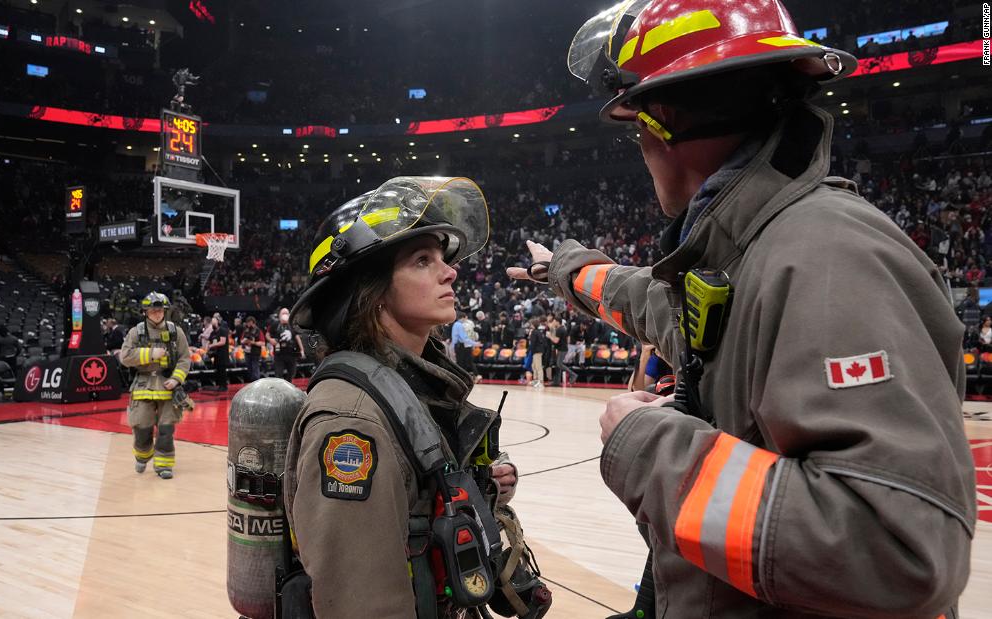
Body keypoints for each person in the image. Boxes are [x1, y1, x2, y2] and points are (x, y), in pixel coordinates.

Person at [507, 1, 975, 616]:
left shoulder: (826, 254)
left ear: (663, 121)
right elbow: (646, 300)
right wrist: (562, 271)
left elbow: (896, 554)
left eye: (638, 129)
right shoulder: (745, 252)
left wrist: (644, 442)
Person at [284, 177, 543, 618]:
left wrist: (477, 489)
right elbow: (362, 604)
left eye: (442, 257)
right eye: (423, 260)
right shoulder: (351, 423)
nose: (450, 270)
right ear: (371, 290)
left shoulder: (413, 389)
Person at [118, 292, 192, 479]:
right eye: (153, 310)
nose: (157, 313)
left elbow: (185, 359)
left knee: (166, 429)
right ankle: (142, 455)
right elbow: (124, 357)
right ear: (146, 312)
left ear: (165, 311)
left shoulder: (176, 332)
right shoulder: (137, 332)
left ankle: (163, 465)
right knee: (142, 427)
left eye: (160, 310)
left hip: (168, 387)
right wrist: (151, 353)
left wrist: (176, 379)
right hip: (143, 385)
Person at [270, 307, 305, 382]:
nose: (284, 315)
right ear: (279, 315)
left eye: (286, 313)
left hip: (291, 353)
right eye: (283, 313)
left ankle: (288, 386)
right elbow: (268, 334)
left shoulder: (292, 325)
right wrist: (270, 340)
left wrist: (302, 350)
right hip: (279, 353)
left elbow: (297, 337)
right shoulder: (275, 324)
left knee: (292, 373)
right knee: (278, 374)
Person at [547, 314, 576, 387]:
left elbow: (556, 341)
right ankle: (556, 382)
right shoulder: (560, 329)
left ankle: (573, 375)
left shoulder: (560, 329)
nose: (553, 323)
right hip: (561, 349)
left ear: (557, 322)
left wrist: (549, 336)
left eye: (554, 321)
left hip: (562, 349)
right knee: (558, 365)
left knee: (559, 364)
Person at [207, 316, 229, 392]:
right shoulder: (212, 333)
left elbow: (223, 342)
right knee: (218, 370)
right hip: (215, 354)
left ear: (218, 323)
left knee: (223, 370)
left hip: (222, 354)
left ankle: (224, 386)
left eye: (214, 322)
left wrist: (212, 345)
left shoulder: (223, 331)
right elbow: (209, 341)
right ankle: (220, 385)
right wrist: (208, 348)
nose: (213, 324)